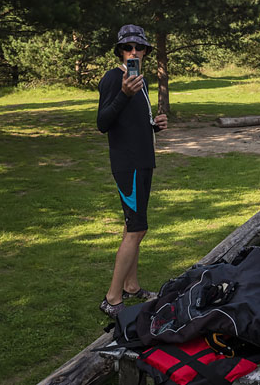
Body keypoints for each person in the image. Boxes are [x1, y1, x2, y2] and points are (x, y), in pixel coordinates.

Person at [96, 24, 168, 318]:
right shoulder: (114, 79)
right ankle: (112, 298)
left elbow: (130, 122)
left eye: (139, 48)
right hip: (128, 165)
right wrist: (124, 93)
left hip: (143, 160)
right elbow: (103, 122)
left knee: (132, 226)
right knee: (137, 228)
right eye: (128, 48)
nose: (134, 52)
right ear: (120, 51)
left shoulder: (141, 81)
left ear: (145, 52)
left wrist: (154, 125)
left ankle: (132, 286)